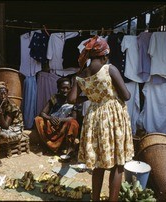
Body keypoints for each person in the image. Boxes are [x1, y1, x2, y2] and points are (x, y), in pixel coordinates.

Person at [67, 35, 135, 201]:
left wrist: (91, 98)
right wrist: (110, 95)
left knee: (98, 163)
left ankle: (95, 199)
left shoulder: (81, 74)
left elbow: (71, 99)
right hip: (113, 117)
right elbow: (126, 95)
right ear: (104, 55)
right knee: (118, 163)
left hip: (94, 117)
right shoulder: (109, 69)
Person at [34, 77, 80, 155]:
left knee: (73, 123)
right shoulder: (55, 98)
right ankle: (46, 146)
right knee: (38, 119)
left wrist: (61, 120)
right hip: (52, 125)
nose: (65, 91)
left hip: (64, 126)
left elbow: (73, 117)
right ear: (58, 88)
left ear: (71, 89)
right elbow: (43, 113)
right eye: (63, 88)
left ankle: (69, 149)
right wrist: (50, 118)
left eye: (67, 88)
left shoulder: (74, 100)